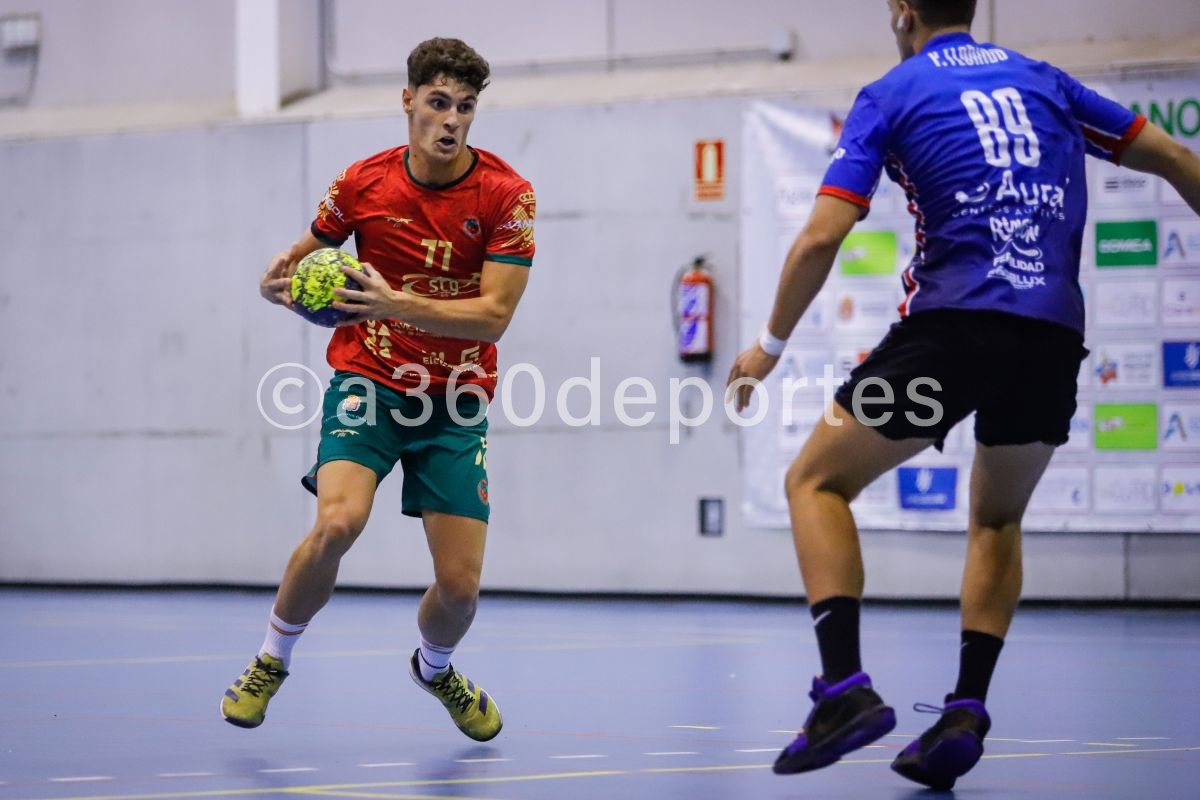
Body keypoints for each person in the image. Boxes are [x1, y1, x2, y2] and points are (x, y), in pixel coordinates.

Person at [727, 0, 1200, 789]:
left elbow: (820, 234)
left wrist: (767, 347)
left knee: (815, 480)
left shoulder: (895, 91)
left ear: (901, 11)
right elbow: (1181, 160)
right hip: (1050, 340)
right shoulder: (1047, 82)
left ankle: (842, 691)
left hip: (952, 337)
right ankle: (967, 710)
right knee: (998, 519)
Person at [220, 37, 536, 743]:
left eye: (465, 107)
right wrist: (282, 285)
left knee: (461, 589)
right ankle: (272, 660)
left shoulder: (507, 197)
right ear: (408, 101)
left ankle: (435, 666)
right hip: (369, 380)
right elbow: (303, 262)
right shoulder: (362, 183)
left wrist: (396, 304)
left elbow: (495, 316)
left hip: (454, 400)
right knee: (337, 524)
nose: (451, 120)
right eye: (438, 103)